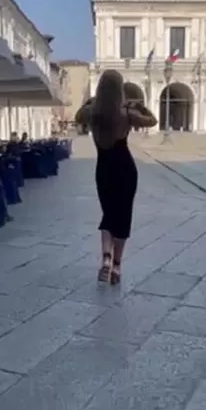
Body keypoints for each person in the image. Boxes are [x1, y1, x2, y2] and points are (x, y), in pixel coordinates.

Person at [75, 69, 157, 284]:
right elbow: (152, 121)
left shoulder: (92, 112)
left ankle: (106, 258)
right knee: (123, 217)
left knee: (108, 215)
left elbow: (77, 117)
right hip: (125, 170)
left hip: (103, 169)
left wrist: (90, 101)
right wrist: (137, 105)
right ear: (120, 89)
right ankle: (117, 267)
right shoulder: (127, 113)